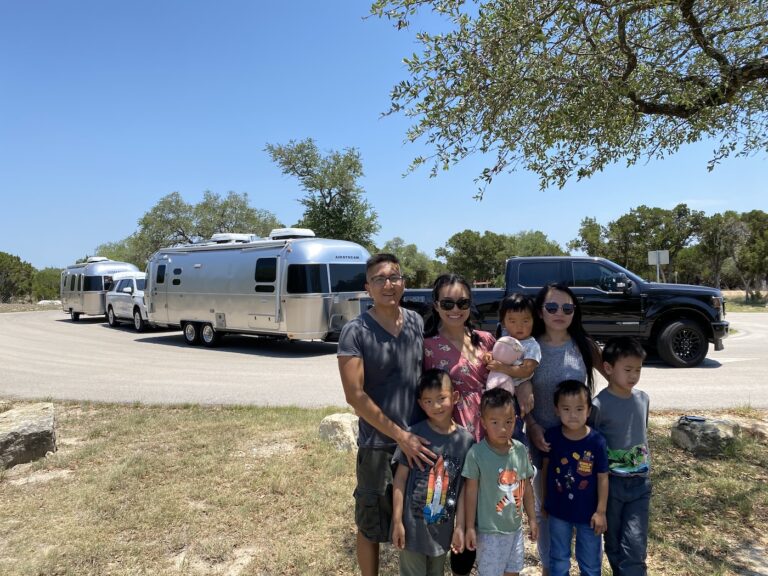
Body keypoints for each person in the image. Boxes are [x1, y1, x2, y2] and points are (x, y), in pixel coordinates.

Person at [338, 253, 437, 576]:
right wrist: (400, 436)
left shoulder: (416, 322)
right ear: (368, 288)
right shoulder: (355, 331)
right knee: (370, 524)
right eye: (379, 279)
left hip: (419, 444)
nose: (388, 284)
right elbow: (355, 396)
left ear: (404, 283)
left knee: (415, 518)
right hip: (378, 444)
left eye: (394, 277)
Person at [524, 282, 604, 576]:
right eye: (552, 307)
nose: (560, 313)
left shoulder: (584, 345)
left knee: (582, 505)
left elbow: (616, 374)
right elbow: (517, 389)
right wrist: (531, 425)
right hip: (542, 445)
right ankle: (551, 568)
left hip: (580, 446)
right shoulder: (528, 346)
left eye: (567, 308)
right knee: (547, 511)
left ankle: (588, 567)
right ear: (540, 311)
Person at [423, 273, 497, 576]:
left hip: (487, 437)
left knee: (481, 511)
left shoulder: (486, 340)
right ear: (436, 305)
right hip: (448, 440)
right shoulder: (426, 347)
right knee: (446, 511)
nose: (456, 309)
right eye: (448, 302)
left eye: (463, 302)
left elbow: (507, 380)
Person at [392, 368, 475, 576]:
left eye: (441, 398)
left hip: (442, 533)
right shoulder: (413, 435)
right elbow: (400, 480)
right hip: (412, 530)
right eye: (428, 401)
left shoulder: (466, 442)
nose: (436, 406)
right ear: (420, 404)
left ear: (454, 397)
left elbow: (464, 489)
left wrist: (460, 527)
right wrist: (397, 522)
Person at [591, 337, 651, 576]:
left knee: (635, 544)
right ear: (608, 368)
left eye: (638, 370)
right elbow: (592, 445)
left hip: (640, 485)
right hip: (611, 486)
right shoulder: (598, 405)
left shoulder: (643, 398)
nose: (633, 376)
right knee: (614, 544)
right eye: (627, 370)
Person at [462, 387, 538, 576]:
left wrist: (533, 519)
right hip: (489, 533)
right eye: (495, 422)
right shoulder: (476, 454)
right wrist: (469, 527)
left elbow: (526, 487)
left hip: (515, 529)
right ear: (483, 422)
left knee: (513, 572)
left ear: (516, 420)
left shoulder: (520, 450)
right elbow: (470, 493)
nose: (503, 429)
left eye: (509, 422)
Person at [541, 380, 609, 576]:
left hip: (589, 514)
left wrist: (601, 511)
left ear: (588, 411)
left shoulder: (597, 441)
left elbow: (603, 477)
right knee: (559, 560)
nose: (573, 414)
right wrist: (546, 500)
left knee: (590, 563)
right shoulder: (552, 437)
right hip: (558, 511)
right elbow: (546, 469)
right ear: (556, 410)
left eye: (579, 409)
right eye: (566, 409)